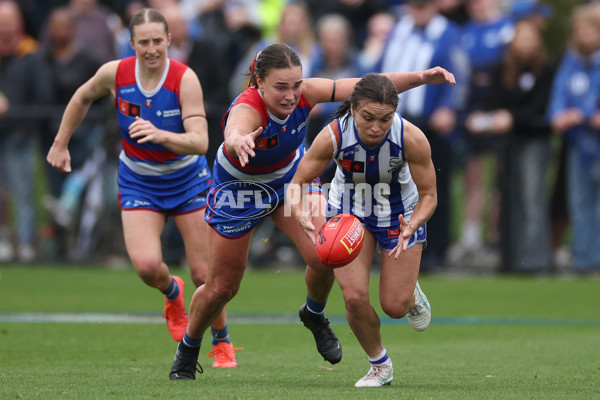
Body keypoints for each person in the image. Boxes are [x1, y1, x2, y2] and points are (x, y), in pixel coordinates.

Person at [168, 42, 455, 380]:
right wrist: (236, 139)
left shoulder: (306, 93)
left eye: (296, 85)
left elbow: (366, 85)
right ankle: (188, 349)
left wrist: (421, 77)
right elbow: (236, 128)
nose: (291, 95)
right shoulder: (249, 107)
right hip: (240, 189)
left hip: (292, 177)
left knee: (325, 254)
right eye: (280, 87)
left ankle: (314, 313)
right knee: (221, 287)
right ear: (258, 82)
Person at [46, 8, 241, 368]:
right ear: (132, 43)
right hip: (139, 180)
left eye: (157, 41)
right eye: (143, 42)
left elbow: (200, 142)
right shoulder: (116, 73)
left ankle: (221, 341)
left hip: (188, 180)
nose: (151, 49)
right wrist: (61, 143)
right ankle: (172, 292)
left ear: (169, 40)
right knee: (148, 266)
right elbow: (81, 96)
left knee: (204, 273)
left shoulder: (184, 78)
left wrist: (161, 135)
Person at [287, 73, 436, 387]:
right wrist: (299, 211)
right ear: (352, 108)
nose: (375, 127)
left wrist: (414, 223)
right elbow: (298, 182)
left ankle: (410, 294)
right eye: (367, 117)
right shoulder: (332, 136)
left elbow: (430, 196)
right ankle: (379, 365)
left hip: (400, 216)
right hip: (350, 213)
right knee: (354, 297)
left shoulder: (411, 137)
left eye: (385, 119)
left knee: (394, 306)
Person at [376, 0, 469, 270]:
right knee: (390, 184)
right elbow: (380, 68)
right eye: (415, 6)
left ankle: (435, 249)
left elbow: (460, 72)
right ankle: (387, 245)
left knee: (431, 184)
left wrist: (450, 108)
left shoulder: (448, 33)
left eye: (424, 6)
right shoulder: (398, 29)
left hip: (431, 122)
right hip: (393, 120)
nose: (419, 11)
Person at [465, 19, 555, 273]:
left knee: (531, 199)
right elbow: (492, 102)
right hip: (508, 143)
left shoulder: (546, 70)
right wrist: (482, 118)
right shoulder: (502, 69)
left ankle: (536, 260)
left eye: (530, 37)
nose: (525, 43)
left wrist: (512, 118)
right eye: (521, 37)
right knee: (506, 198)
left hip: (535, 141)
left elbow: (542, 107)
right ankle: (511, 258)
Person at [548, 4, 600, 273]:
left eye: (590, 29)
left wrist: (583, 113)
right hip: (578, 144)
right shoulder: (570, 62)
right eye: (579, 30)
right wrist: (560, 115)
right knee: (579, 201)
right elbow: (558, 100)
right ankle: (584, 260)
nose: (584, 35)